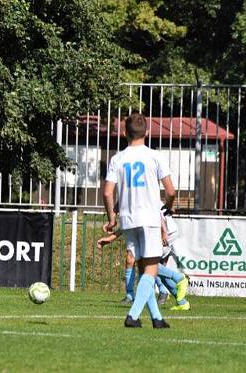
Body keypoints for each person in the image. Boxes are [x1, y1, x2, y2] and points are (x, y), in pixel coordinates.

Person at [103, 112, 176, 328]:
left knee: (143, 268)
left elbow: (108, 193)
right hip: (149, 219)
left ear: (125, 133)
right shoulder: (154, 156)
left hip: (128, 219)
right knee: (151, 270)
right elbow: (170, 191)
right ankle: (133, 316)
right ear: (146, 132)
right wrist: (168, 207)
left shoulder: (118, 158)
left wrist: (111, 219)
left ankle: (157, 318)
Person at [97, 206, 190, 311]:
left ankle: (179, 278)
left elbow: (157, 211)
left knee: (149, 263)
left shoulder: (139, 195)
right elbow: (129, 224)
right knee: (150, 266)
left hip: (163, 229)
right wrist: (110, 238)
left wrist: (163, 230)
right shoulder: (132, 200)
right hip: (158, 228)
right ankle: (182, 302)